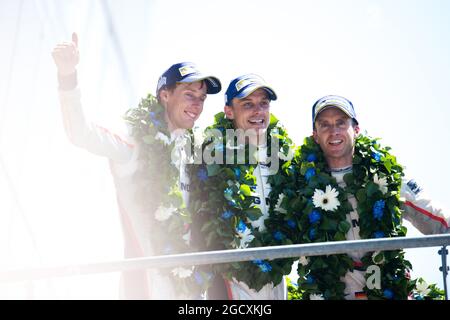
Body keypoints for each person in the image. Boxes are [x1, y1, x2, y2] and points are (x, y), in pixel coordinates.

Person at [51, 33, 221, 299]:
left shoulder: (195, 150)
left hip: (190, 289)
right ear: (165, 95)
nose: (197, 105)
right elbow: (80, 133)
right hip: (145, 286)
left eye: (202, 98)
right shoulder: (135, 140)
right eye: (189, 95)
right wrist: (67, 76)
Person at [286, 95, 450, 300]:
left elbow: (436, 217)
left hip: (388, 291)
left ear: (355, 129)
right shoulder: (300, 187)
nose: (334, 131)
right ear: (315, 136)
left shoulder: (384, 177)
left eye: (341, 123)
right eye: (325, 125)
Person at [189, 74, 297, 300]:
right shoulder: (209, 156)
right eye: (247, 104)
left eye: (263, 104)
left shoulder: (286, 157)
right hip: (230, 278)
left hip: (275, 276)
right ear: (229, 111)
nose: (258, 112)